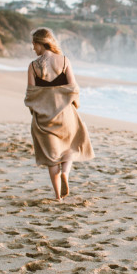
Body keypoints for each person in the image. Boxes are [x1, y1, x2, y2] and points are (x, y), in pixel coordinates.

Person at [24, 28, 94, 200]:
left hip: (44, 118)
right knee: (70, 146)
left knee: (52, 157)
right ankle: (66, 173)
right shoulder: (64, 61)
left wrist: (36, 110)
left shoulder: (33, 66)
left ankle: (57, 196)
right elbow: (73, 87)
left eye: (34, 44)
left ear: (41, 43)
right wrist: (73, 105)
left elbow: (31, 94)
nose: (33, 48)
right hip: (65, 115)